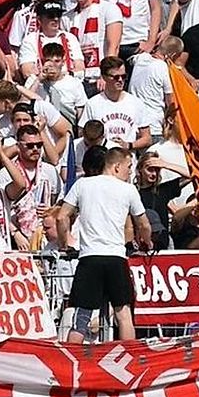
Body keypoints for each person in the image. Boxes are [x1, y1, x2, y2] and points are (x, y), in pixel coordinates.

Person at [53, 146, 150, 343]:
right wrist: (146, 242)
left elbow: (62, 217)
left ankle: (72, 362)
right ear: (116, 167)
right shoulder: (128, 189)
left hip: (89, 258)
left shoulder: (82, 185)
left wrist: (65, 243)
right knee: (124, 315)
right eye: (128, 167)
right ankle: (129, 361)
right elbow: (144, 224)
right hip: (115, 258)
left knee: (81, 318)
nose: (130, 171)